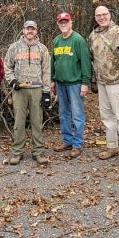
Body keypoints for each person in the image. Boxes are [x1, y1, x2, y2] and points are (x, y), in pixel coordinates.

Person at [88, 6, 119, 171]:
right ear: (95, 18)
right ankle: (112, 147)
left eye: (104, 14)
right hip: (102, 83)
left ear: (110, 15)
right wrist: (93, 81)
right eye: (98, 15)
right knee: (107, 117)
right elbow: (92, 60)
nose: (102, 17)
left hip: (118, 82)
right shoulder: (93, 35)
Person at [4, 20, 52, 166]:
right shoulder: (14, 47)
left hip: (37, 89)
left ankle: (38, 152)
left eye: (32, 29)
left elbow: (46, 71)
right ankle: (17, 152)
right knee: (19, 121)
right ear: (23, 30)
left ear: (36, 31)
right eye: (27, 29)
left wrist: (46, 92)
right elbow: (7, 66)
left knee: (37, 121)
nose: (30, 31)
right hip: (20, 90)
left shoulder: (42, 48)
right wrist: (13, 81)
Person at [51, 12, 91, 158]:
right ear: (58, 24)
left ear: (70, 23)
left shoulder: (78, 40)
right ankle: (67, 140)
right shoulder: (56, 41)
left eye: (65, 22)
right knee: (63, 114)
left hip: (75, 83)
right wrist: (52, 79)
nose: (63, 25)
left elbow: (86, 62)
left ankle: (77, 143)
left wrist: (85, 83)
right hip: (60, 83)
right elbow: (53, 62)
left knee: (77, 114)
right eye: (61, 22)